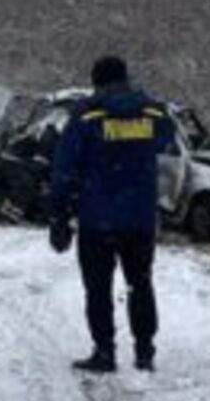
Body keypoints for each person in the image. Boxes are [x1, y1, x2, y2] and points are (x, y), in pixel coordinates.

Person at [48, 56, 177, 374]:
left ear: (96, 81)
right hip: (139, 217)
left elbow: (64, 168)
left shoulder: (86, 115)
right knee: (140, 284)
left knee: (98, 289)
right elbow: (167, 139)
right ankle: (144, 352)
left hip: (97, 218)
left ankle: (104, 352)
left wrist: (58, 216)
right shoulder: (152, 112)